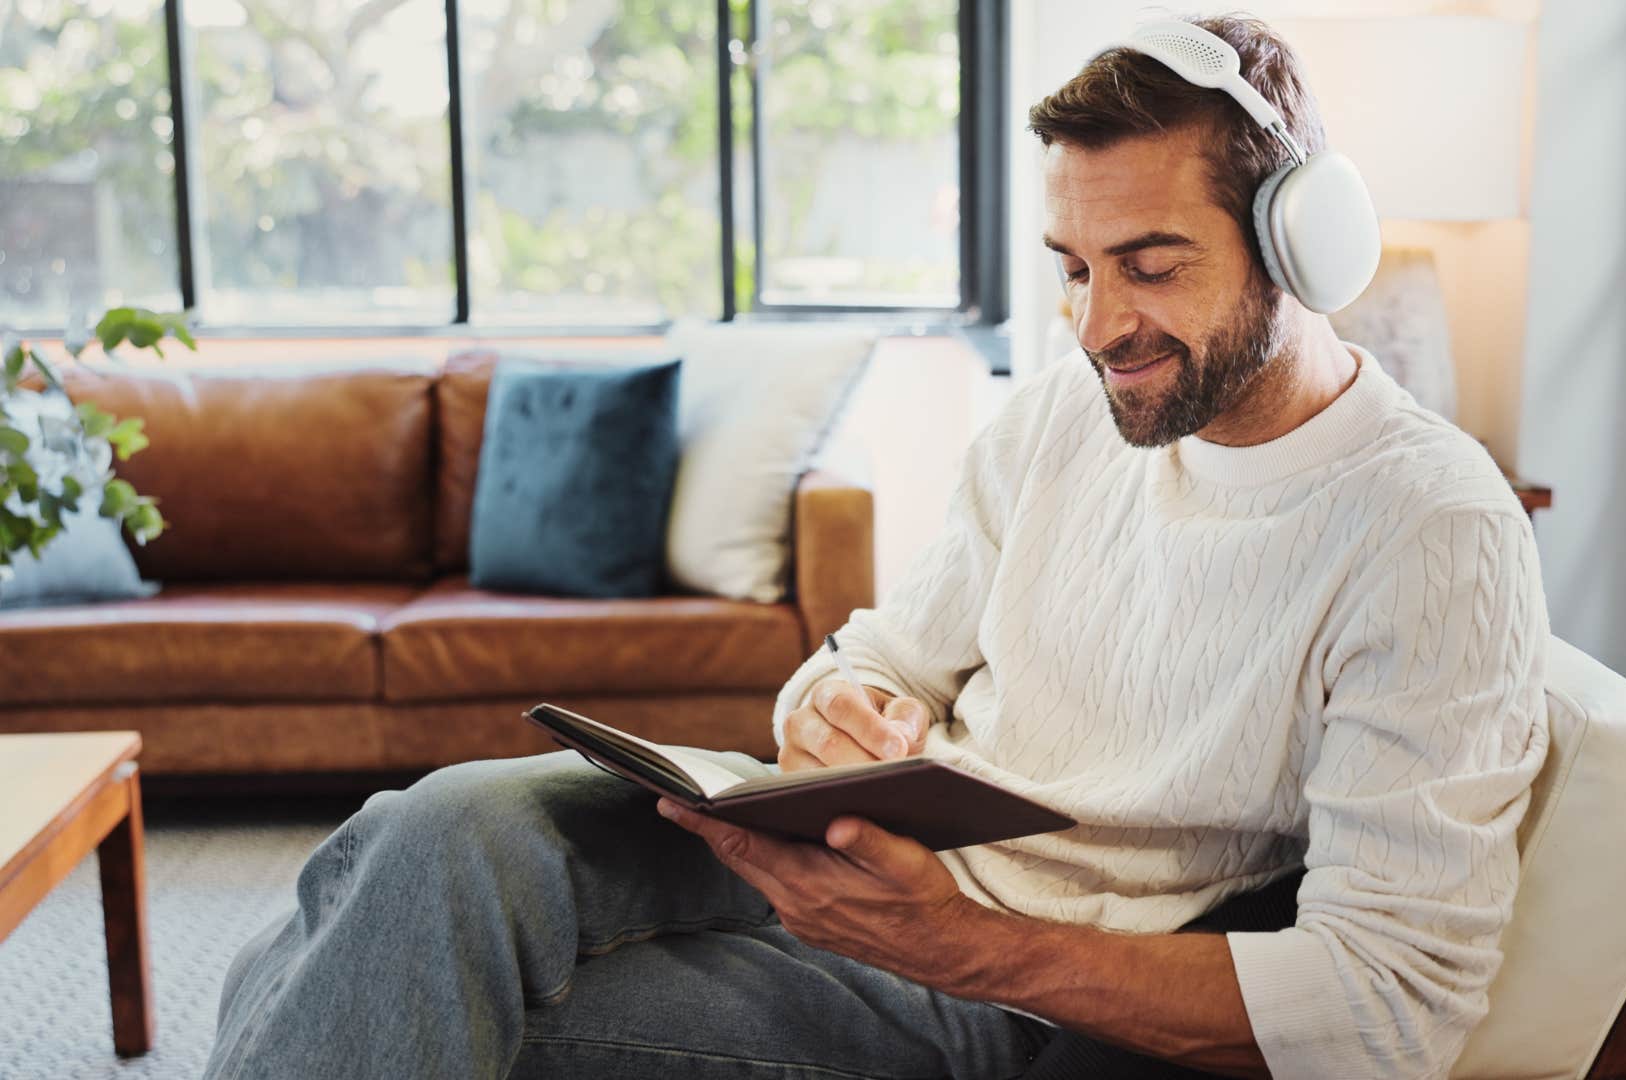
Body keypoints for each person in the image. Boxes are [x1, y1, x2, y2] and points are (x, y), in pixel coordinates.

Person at [204, 14, 1548, 1079]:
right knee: (431, 833)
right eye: (1072, 267)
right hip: (859, 865)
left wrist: (962, 945)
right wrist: (835, 707)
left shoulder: (1431, 535)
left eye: (1152, 265)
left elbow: (1390, 1008)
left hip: (994, 987)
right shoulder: (1058, 429)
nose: (1094, 327)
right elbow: (870, 656)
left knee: (331, 959)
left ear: (1299, 247)